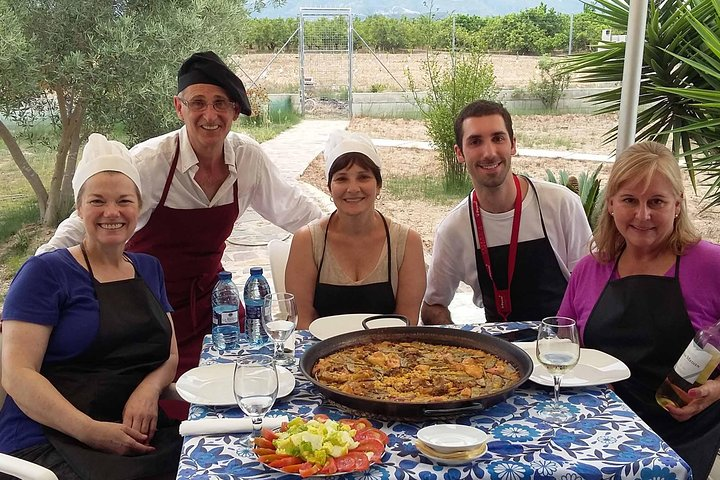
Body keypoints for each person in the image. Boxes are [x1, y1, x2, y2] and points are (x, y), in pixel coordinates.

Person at [36, 51, 323, 415]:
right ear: (179, 107)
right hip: (145, 311)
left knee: (240, 393)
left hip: (214, 307)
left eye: (221, 103)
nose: (210, 115)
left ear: (235, 111)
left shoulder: (248, 159)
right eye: (198, 103)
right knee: (164, 412)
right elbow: (81, 226)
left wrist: (354, 234)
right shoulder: (149, 162)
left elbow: (300, 214)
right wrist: (35, 281)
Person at [0, 134, 181, 480]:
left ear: (139, 207)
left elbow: (169, 354)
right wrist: (91, 431)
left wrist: (149, 388)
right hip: (48, 441)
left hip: (133, 434)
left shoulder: (148, 268)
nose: (112, 212)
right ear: (79, 208)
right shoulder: (45, 273)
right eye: (97, 201)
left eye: (124, 201)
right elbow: (17, 375)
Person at [558, 141, 720, 479]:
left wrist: (717, 390)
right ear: (612, 205)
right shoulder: (590, 269)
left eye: (656, 202)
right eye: (630, 200)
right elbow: (563, 348)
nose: (642, 215)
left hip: (681, 441)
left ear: (678, 206)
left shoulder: (710, 264)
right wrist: (585, 378)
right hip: (597, 436)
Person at [422, 100, 591, 325]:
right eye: (475, 142)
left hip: (561, 349)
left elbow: (590, 289)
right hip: (497, 354)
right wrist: (462, 351)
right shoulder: (454, 229)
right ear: (459, 153)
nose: (489, 152)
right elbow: (433, 307)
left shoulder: (561, 204)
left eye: (498, 138)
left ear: (513, 144)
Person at [285, 130, 426, 329]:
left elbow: (406, 320)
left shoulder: (407, 242)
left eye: (363, 177)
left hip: (388, 354)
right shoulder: (307, 240)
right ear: (329, 187)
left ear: (378, 186)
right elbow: (303, 322)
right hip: (319, 352)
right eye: (341, 179)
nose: (352, 188)